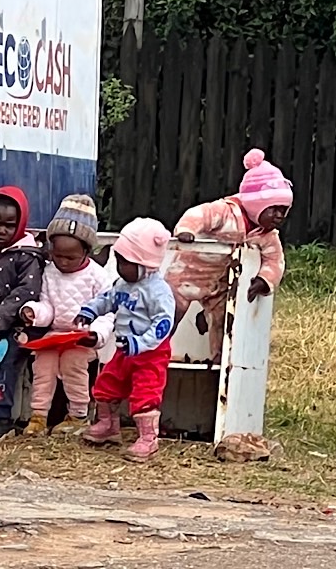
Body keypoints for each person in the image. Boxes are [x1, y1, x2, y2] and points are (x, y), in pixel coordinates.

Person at [164, 148, 292, 362]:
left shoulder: (267, 234)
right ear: (256, 204)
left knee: (224, 323)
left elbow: (275, 259)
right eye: (273, 208)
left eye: (283, 210)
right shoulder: (225, 212)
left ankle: (220, 364)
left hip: (221, 286)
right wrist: (186, 230)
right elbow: (198, 215)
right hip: (187, 275)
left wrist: (264, 280)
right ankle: (155, 352)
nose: (279, 215)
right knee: (171, 313)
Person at [74, 217, 174, 462]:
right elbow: (107, 299)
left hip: (149, 353)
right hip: (124, 349)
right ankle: (109, 425)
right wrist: (89, 310)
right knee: (106, 385)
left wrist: (141, 343)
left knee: (145, 394)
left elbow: (164, 324)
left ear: (145, 264)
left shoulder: (158, 292)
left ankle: (148, 439)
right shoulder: (123, 284)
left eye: (125, 262)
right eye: (118, 260)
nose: (120, 267)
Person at [17, 195, 115, 437]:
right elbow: (47, 304)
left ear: (86, 250)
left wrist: (96, 334)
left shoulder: (97, 276)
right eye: (58, 255)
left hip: (81, 337)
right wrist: (33, 312)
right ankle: (38, 415)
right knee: (43, 365)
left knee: (73, 365)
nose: (63, 262)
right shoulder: (50, 273)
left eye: (70, 257)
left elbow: (107, 311)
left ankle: (78, 415)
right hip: (54, 335)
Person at [0, 186, 44, 442]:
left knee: (3, 370)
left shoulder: (26, 256)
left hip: (15, 330)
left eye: (9, 225)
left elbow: (27, 290)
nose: (1, 230)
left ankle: (2, 420)